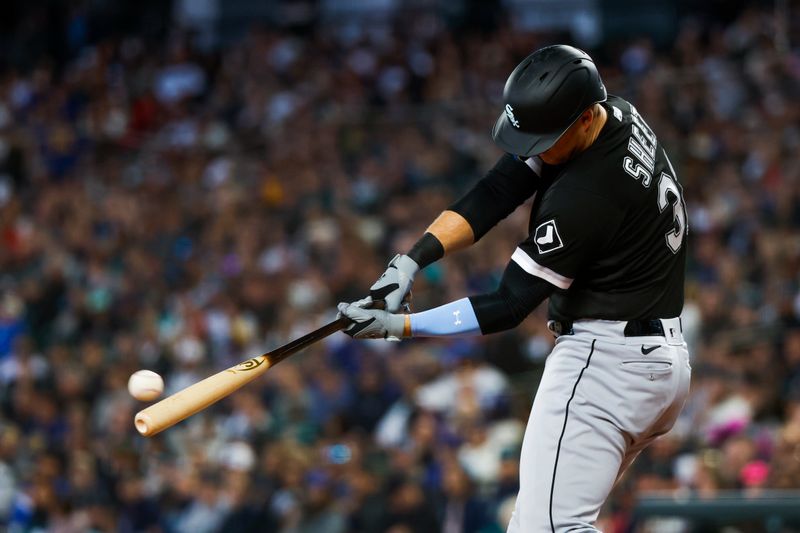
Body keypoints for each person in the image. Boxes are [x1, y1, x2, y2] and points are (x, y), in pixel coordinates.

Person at [338, 44, 691, 532]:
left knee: (551, 529)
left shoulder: (587, 195)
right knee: (528, 525)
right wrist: (411, 259)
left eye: (544, 137)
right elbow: (498, 189)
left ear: (584, 117)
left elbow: (507, 305)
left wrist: (401, 325)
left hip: (607, 362)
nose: (533, 148)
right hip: (650, 360)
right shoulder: (615, 115)